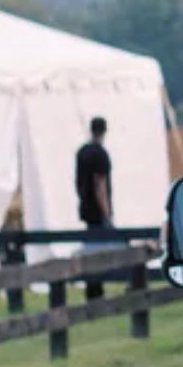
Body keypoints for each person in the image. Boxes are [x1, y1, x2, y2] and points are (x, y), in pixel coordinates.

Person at [75, 116, 114, 302]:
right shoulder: (100, 154)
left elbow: (78, 183)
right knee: (100, 253)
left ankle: (92, 289)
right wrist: (106, 213)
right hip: (98, 211)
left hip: (85, 208)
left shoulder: (82, 152)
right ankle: (96, 292)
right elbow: (100, 185)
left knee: (91, 251)